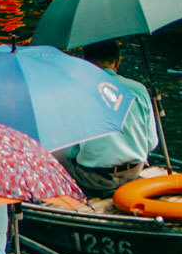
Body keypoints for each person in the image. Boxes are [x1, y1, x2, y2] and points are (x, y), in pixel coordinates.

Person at [63, 40, 159, 195]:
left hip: (95, 179)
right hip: (133, 171)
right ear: (118, 60)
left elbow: (71, 152)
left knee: (56, 152)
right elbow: (151, 143)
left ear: (85, 63)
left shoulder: (77, 93)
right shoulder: (139, 90)